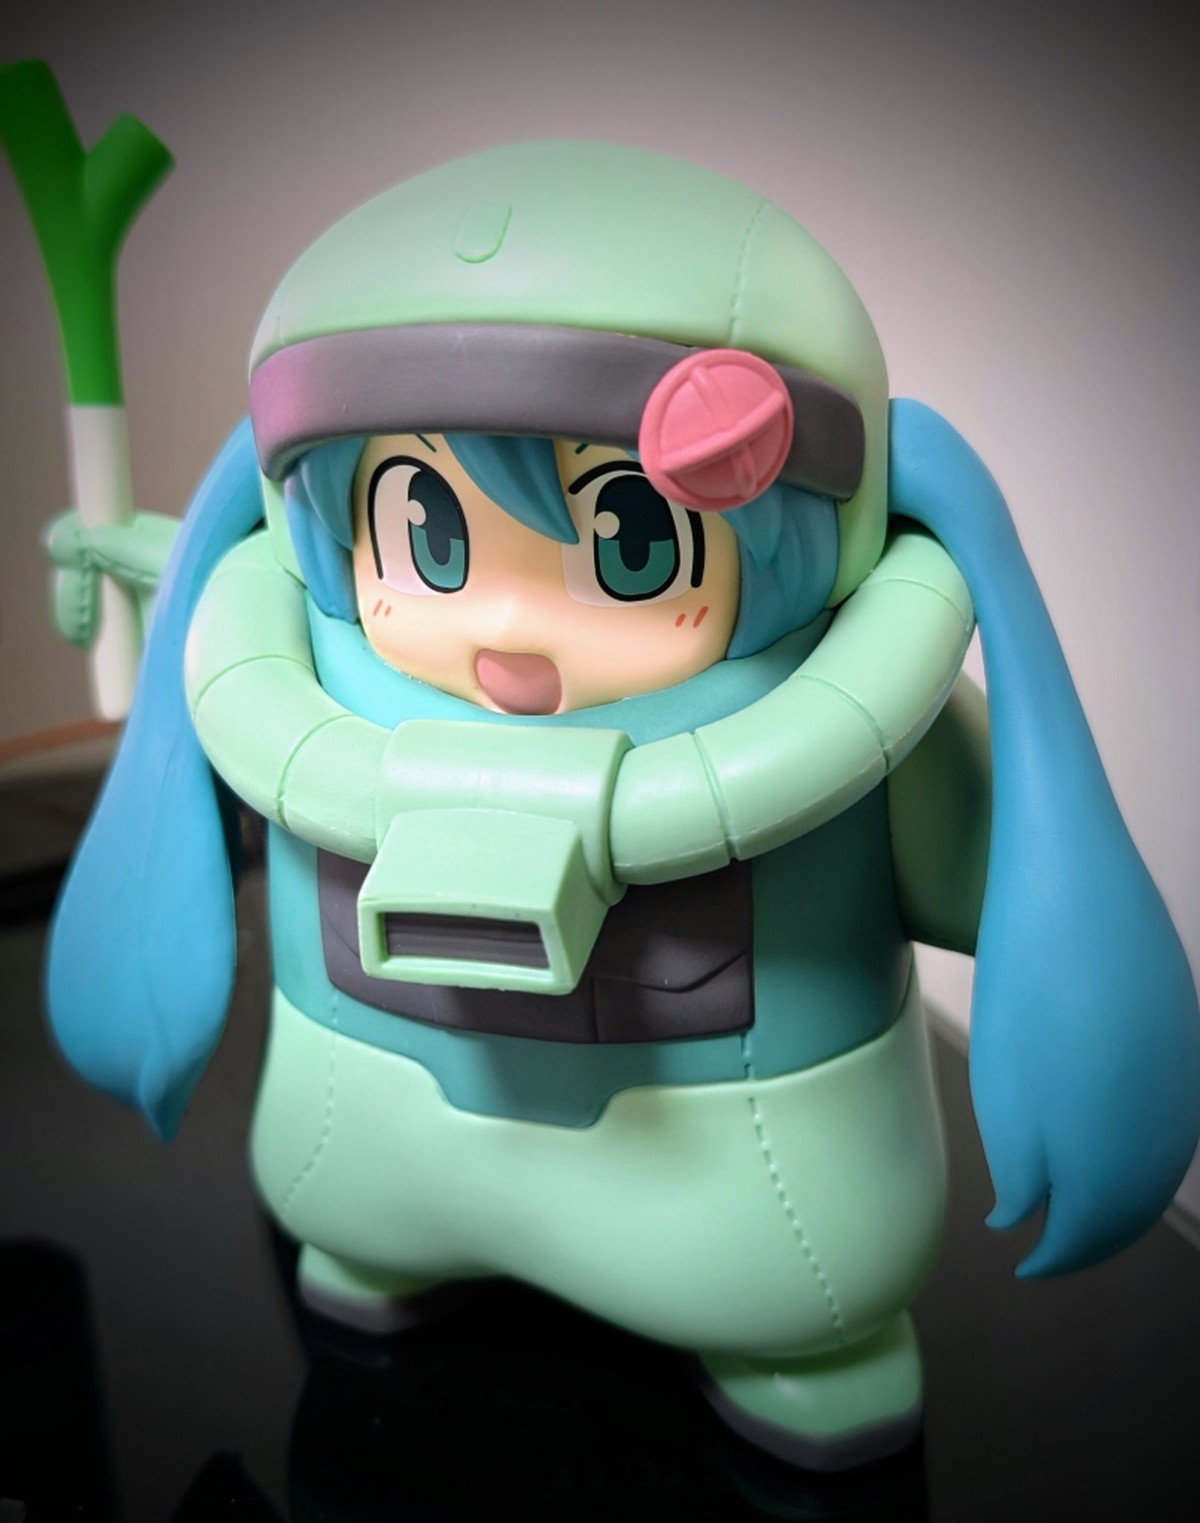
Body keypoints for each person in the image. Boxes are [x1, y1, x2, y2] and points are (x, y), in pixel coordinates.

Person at [46, 141, 1200, 1469]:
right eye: (428, 534)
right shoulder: (299, 689)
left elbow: (1011, 884)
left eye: (634, 544)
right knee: (353, 1224)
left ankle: (784, 1344)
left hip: (755, 1219)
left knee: (797, 1300)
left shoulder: (854, 733)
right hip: (366, 1157)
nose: (508, 642)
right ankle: (383, 1249)